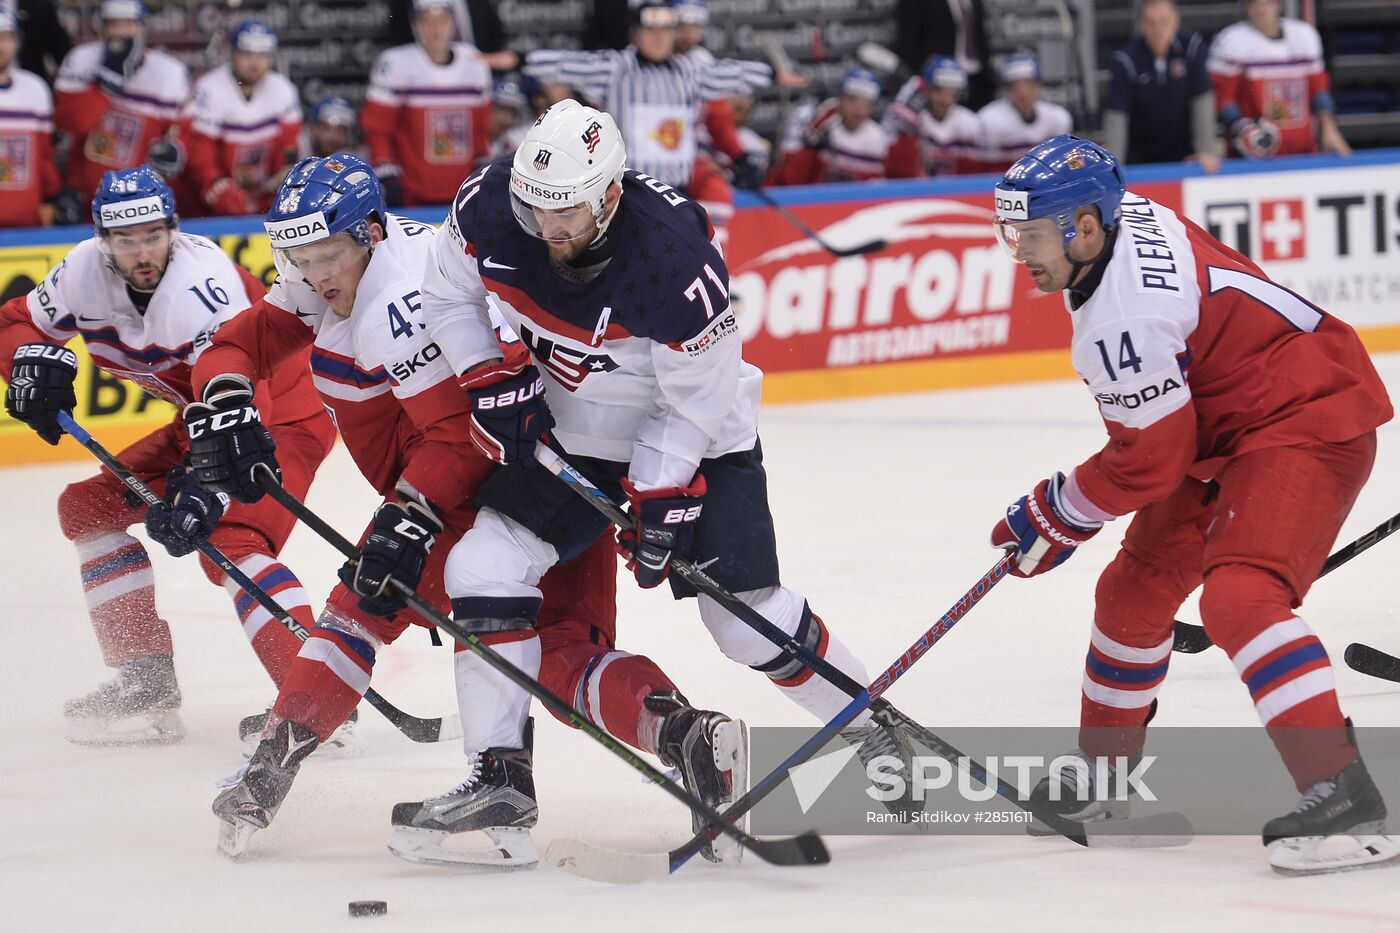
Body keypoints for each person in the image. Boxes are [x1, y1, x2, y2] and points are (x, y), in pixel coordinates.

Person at [188, 153, 746, 868]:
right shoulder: (334, 273)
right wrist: (227, 392)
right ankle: (690, 737)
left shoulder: (400, 300)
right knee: (560, 654)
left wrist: (412, 516)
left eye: (326, 251)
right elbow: (246, 340)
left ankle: (269, 773)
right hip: (550, 474)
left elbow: (458, 436)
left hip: (486, 485)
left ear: (369, 233)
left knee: (361, 604)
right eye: (296, 252)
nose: (313, 270)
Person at [418, 101, 920, 858]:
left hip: (697, 435)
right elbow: (447, 293)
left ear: (611, 196)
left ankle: (868, 723)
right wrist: (487, 375)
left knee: (742, 618)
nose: (547, 229)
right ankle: (501, 783)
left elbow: (695, 404)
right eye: (535, 206)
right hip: (574, 431)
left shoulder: (673, 258)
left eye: (568, 213)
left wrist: (659, 491)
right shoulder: (490, 207)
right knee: (480, 564)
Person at [989, 135, 1395, 875]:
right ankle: (1106, 773)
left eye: (1033, 233)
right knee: (1132, 590)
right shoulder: (1121, 214)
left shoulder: (1122, 315)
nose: (1020, 251)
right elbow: (1162, 442)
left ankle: (1344, 794)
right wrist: (1069, 510)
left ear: (1085, 227)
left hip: (1304, 418)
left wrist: (1058, 509)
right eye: (1012, 231)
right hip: (1234, 418)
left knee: (1241, 598)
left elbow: (1150, 459)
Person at [0, 167, 336, 746]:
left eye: (153, 235)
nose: (141, 252)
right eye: (126, 240)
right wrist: (25, 362)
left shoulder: (202, 285)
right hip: (198, 423)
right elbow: (14, 324)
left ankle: (318, 711)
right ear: (103, 239)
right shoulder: (82, 271)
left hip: (277, 416)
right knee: (89, 507)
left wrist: (204, 486)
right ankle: (145, 680)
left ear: (173, 231)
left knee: (232, 542)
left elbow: (244, 395)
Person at [524, 1, 773, 249]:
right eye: (651, 31)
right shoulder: (617, 67)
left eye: (666, 31)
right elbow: (565, 64)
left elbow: (732, 74)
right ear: (635, 34)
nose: (659, 38)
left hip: (676, 193)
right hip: (629, 194)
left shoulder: (689, 72)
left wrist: (772, 72)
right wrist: (520, 59)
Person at [361, 0, 494, 208]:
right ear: (415, 24)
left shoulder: (475, 63)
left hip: (464, 192)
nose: (435, 29)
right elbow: (378, 129)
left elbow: (481, 129)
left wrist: (482, 170)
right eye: (426, 21)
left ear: (453, 22)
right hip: (412, 193)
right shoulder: (396, 64)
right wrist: (387, 175)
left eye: (442, 20)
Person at [53, 0, 188, 201]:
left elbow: (180, 133)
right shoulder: (81, 59)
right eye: (114, 25)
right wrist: (105, 82)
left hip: (144, 197)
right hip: (89, 195)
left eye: (129, 24)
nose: (121, 33)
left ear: (142, 28)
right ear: (102, 29)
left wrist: (173, 149)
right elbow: (71, 124)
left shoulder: (169, 72)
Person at [183, 20, 301, 217]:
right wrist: (216, 186)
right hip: (217, 197)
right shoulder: (210, 88)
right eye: (247, 54)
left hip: (265, 192)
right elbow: (200, 151)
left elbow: (288, 147)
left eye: (262, 55)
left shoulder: (283, 90)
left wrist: (281, 183)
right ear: (233, 54)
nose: (255, 63)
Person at [1207, 0, 1350, 159]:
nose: (1260, 9)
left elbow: (1319, 88)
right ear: (1246, 7)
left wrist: (1328, 127)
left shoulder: (1303, 35)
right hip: (1255, 154)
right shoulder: (1231, 41)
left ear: (1278, 5)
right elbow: (1222, 98)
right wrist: (1244, 129)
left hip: (1304, 149)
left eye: (1267, 3)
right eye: (1254, 4)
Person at [1103, 0, 1218, 171]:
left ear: (1175, 22)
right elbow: (1117, 116)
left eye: (1164, 22)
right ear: (1142, 25)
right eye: (1151, 23)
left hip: (1185, 158)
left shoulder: (1192, 48)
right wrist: (1114, 167)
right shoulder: (1125, 59)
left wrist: (1207, 150)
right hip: (1139, 160)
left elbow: (1202, 99)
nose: (1158, 30)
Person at [769, 66, 889, 186]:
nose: (858, 108)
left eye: (867, 103)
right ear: (840, 99)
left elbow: (877, 188)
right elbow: (791, 180)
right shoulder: (818, 121)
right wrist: (812, 144)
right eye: (852, 99)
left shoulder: (878, 139)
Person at [0, 10, 65, 227]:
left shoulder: (35, 88)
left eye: (6, 36)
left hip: (27, 226)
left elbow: (45, 156)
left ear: (18, 42)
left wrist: (53, 199)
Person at [884, 54, 983, 178]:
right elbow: (896, 172)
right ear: (927, 89)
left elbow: (974, 175)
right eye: (939, 90)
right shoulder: (912, 117)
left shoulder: (968, 122)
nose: (945, 99)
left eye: (953, 92)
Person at [976, 52, 1071, 172]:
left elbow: (1065, 161)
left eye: (1028, 84)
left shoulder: (1058, 116)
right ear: (1005, 89)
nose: (1022, 92)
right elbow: (987, 169)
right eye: (1014, 86)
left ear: (1038, 85)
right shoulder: (989, 119)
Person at [303, 95, 360, 159]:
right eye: (327, 128)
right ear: (314, 128)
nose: (334, 137)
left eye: (341, 130)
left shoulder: (353, 163)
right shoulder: (296, 151)